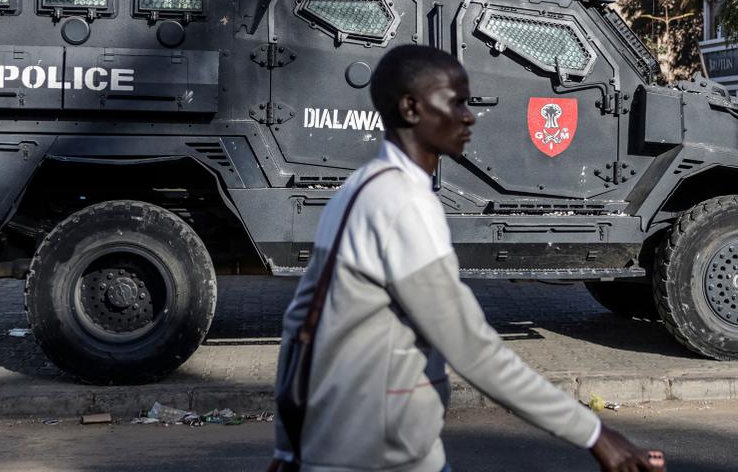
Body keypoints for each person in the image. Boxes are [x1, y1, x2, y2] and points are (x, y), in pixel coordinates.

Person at [269, 46, 661, 472]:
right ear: (412, 108)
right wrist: (596, 434)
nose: (469, 116)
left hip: (342, 442)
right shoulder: (405, 205)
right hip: (381, 452)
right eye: (455, 101)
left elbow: (300, 325)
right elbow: (472, 349)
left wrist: (288, 450)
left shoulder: (357, 189)